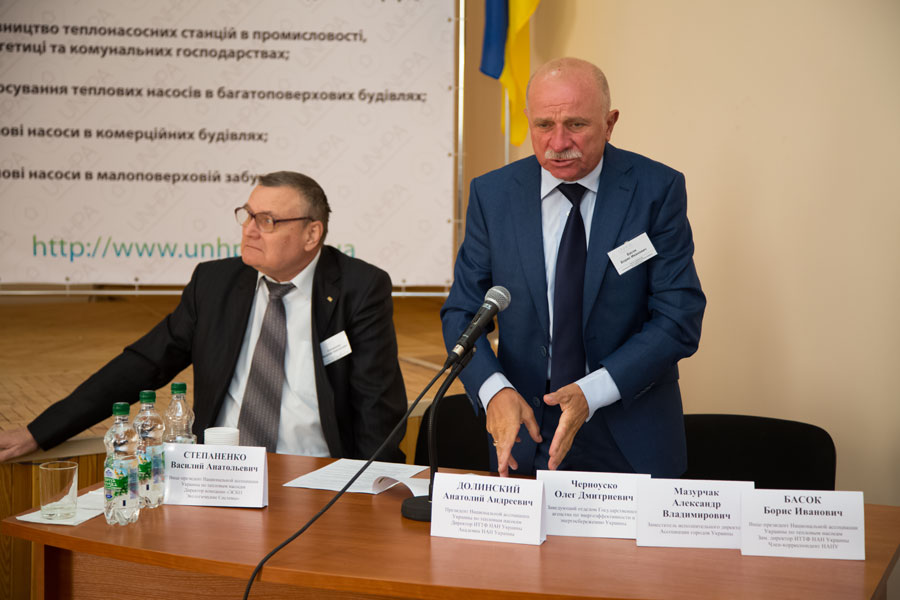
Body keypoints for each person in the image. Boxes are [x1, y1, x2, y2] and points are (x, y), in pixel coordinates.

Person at [0, 171, 407, 463]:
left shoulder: (359, 288)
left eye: (267, 221)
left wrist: (364, 493)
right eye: (247, 215)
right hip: (218, 473)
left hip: (315, 474)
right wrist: (41, 431)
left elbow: (377, 403)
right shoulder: (215, 282)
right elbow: (143, 363)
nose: (249, 230)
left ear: (311, 234)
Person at [441, 58, 705, 477]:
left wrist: (591, 391)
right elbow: (462, 313)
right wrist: (494, 391)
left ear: (610, 123)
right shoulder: (494, 195)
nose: (558, 142)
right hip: (525, 426)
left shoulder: (656, 190)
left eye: (576, 125)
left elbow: (679, 318)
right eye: (544, 125)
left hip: (628, 424)